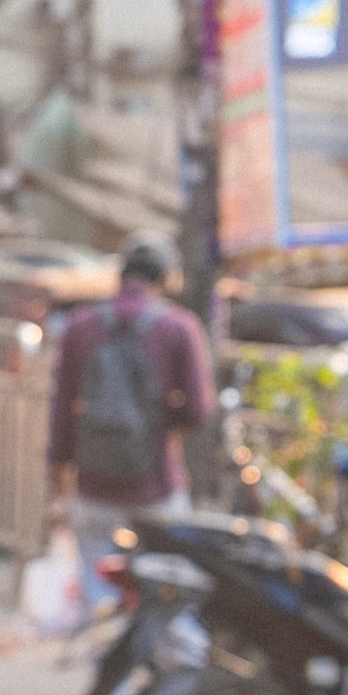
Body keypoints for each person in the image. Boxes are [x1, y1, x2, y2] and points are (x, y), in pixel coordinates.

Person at [46, 243, 215, 589]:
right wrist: (161, 416)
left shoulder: (80, 325)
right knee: (167, 595)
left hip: (93, 482)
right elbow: (198, 411)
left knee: (98, 597)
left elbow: (62, 409)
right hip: (157, 484)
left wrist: (59, 477)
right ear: (164, 279)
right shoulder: (178, 327)